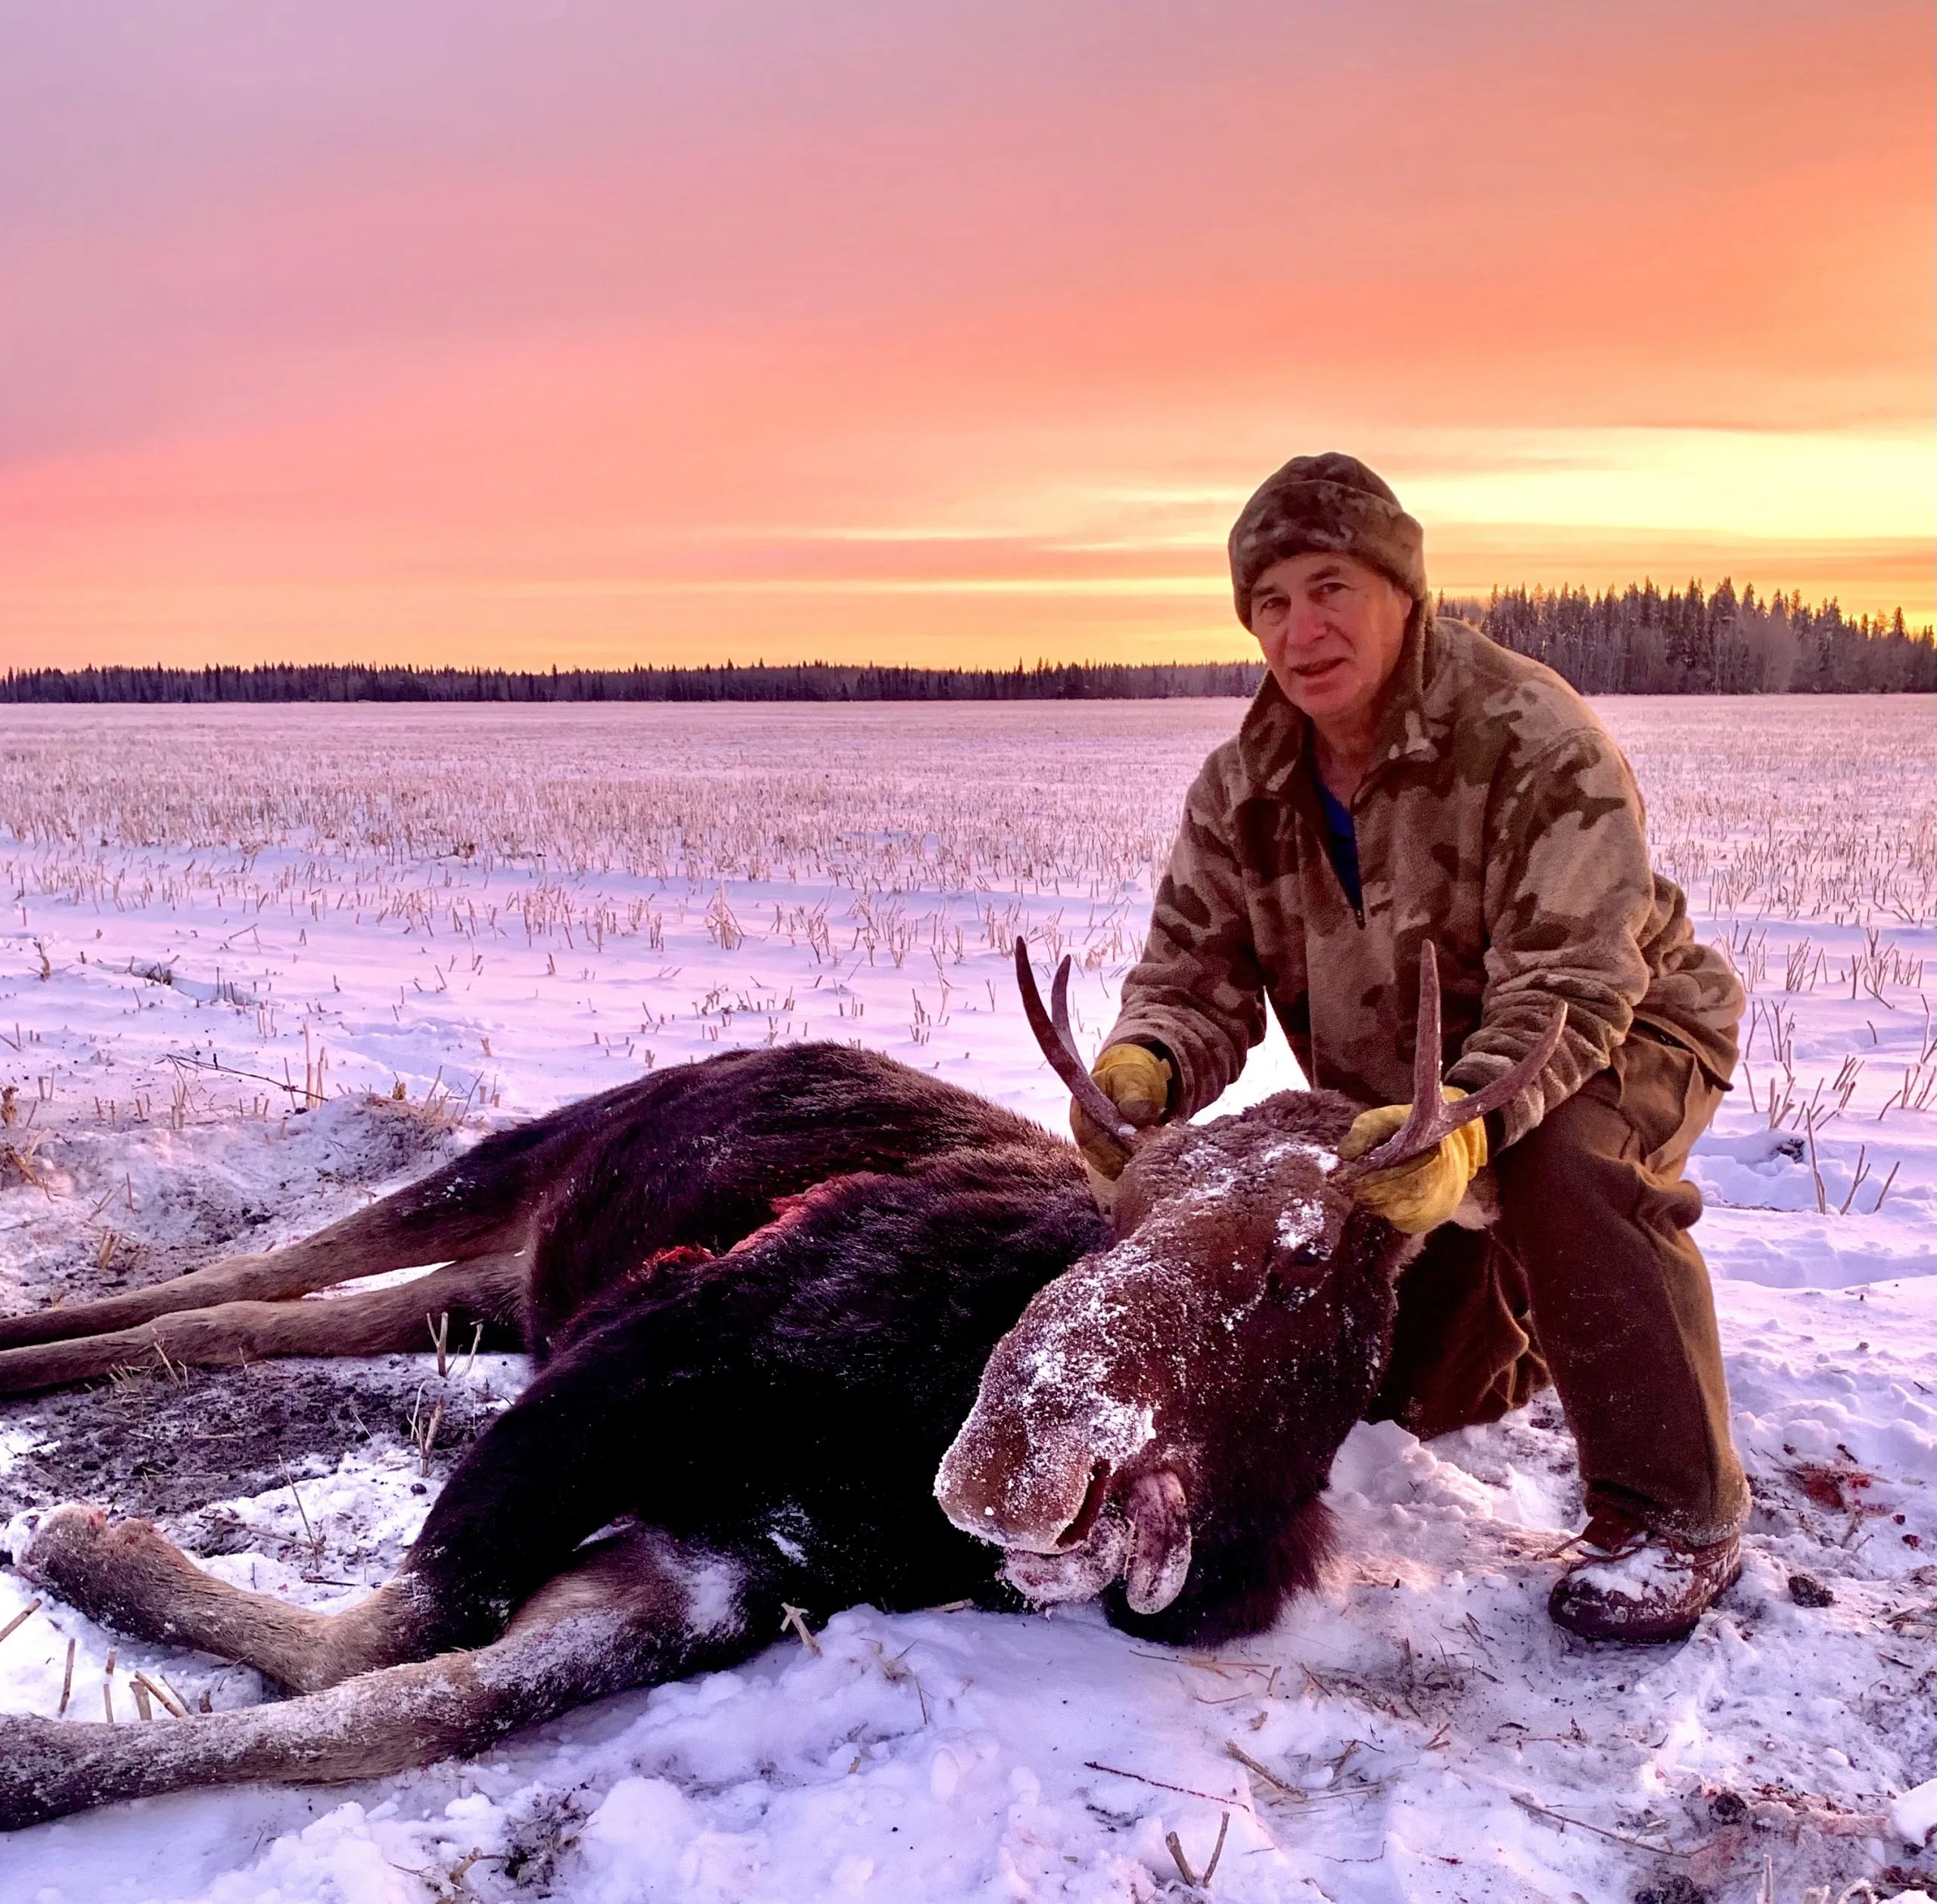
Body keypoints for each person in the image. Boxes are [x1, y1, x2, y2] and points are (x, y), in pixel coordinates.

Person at [1073, 453, 1748, 1642]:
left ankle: (1675, 1514)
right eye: (1270, 601)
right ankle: (1551, 1322)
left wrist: (1477, 1125)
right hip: (1412, 1097)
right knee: (1410, 1395)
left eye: (1330, 585)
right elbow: (1194, 975)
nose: (1302, 627)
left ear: (1402, 589)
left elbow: (1575, 981)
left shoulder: (1533, 736)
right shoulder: (1244, 790)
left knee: (1566, 1171)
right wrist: (1152, 1062)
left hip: (1624, 1028)